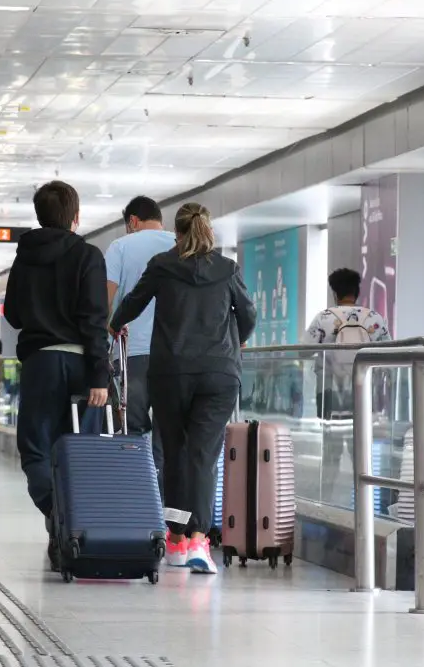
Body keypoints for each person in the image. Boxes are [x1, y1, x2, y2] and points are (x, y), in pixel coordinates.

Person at [110, 202, 256, 574]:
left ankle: (176, 536)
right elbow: (248, 314)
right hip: (218, 374)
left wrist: (115, 324)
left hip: (171, 372)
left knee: (174, 453)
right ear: (208, 230)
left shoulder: (163, 265)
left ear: (176, 232)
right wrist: (235, 342)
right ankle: (198, 541)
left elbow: (132, 303)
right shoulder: (227, 269)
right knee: (202, 457)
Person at [4, 180, 109, 571]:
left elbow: (13, 314)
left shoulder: (24, 258)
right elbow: (95, 319)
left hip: (40, 363)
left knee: (36, 448)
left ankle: (55, 512)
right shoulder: (88, 256)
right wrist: (100, 375)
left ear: (39, 215)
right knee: (84, 451)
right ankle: (76, 522)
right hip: (83, 367)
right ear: (76, 218)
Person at [304, 268, 393, 502]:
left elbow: (305, 350)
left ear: (335, 293)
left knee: (330, 450)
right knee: (360, 450)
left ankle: (326, 500)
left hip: (329, 390)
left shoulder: (324, 318)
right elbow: (390, 353)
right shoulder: (373, 317)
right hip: (362, 392)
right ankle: (364, 503)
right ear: (357, 292)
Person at [105, 195, 175, 476]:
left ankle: (136, 499)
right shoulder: (179, 244)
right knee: (167, 432)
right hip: (173, 356)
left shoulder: (120, 246)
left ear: (132, 221)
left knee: (131, 429)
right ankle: (163, 506)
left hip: (131, 354)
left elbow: (105, 302)